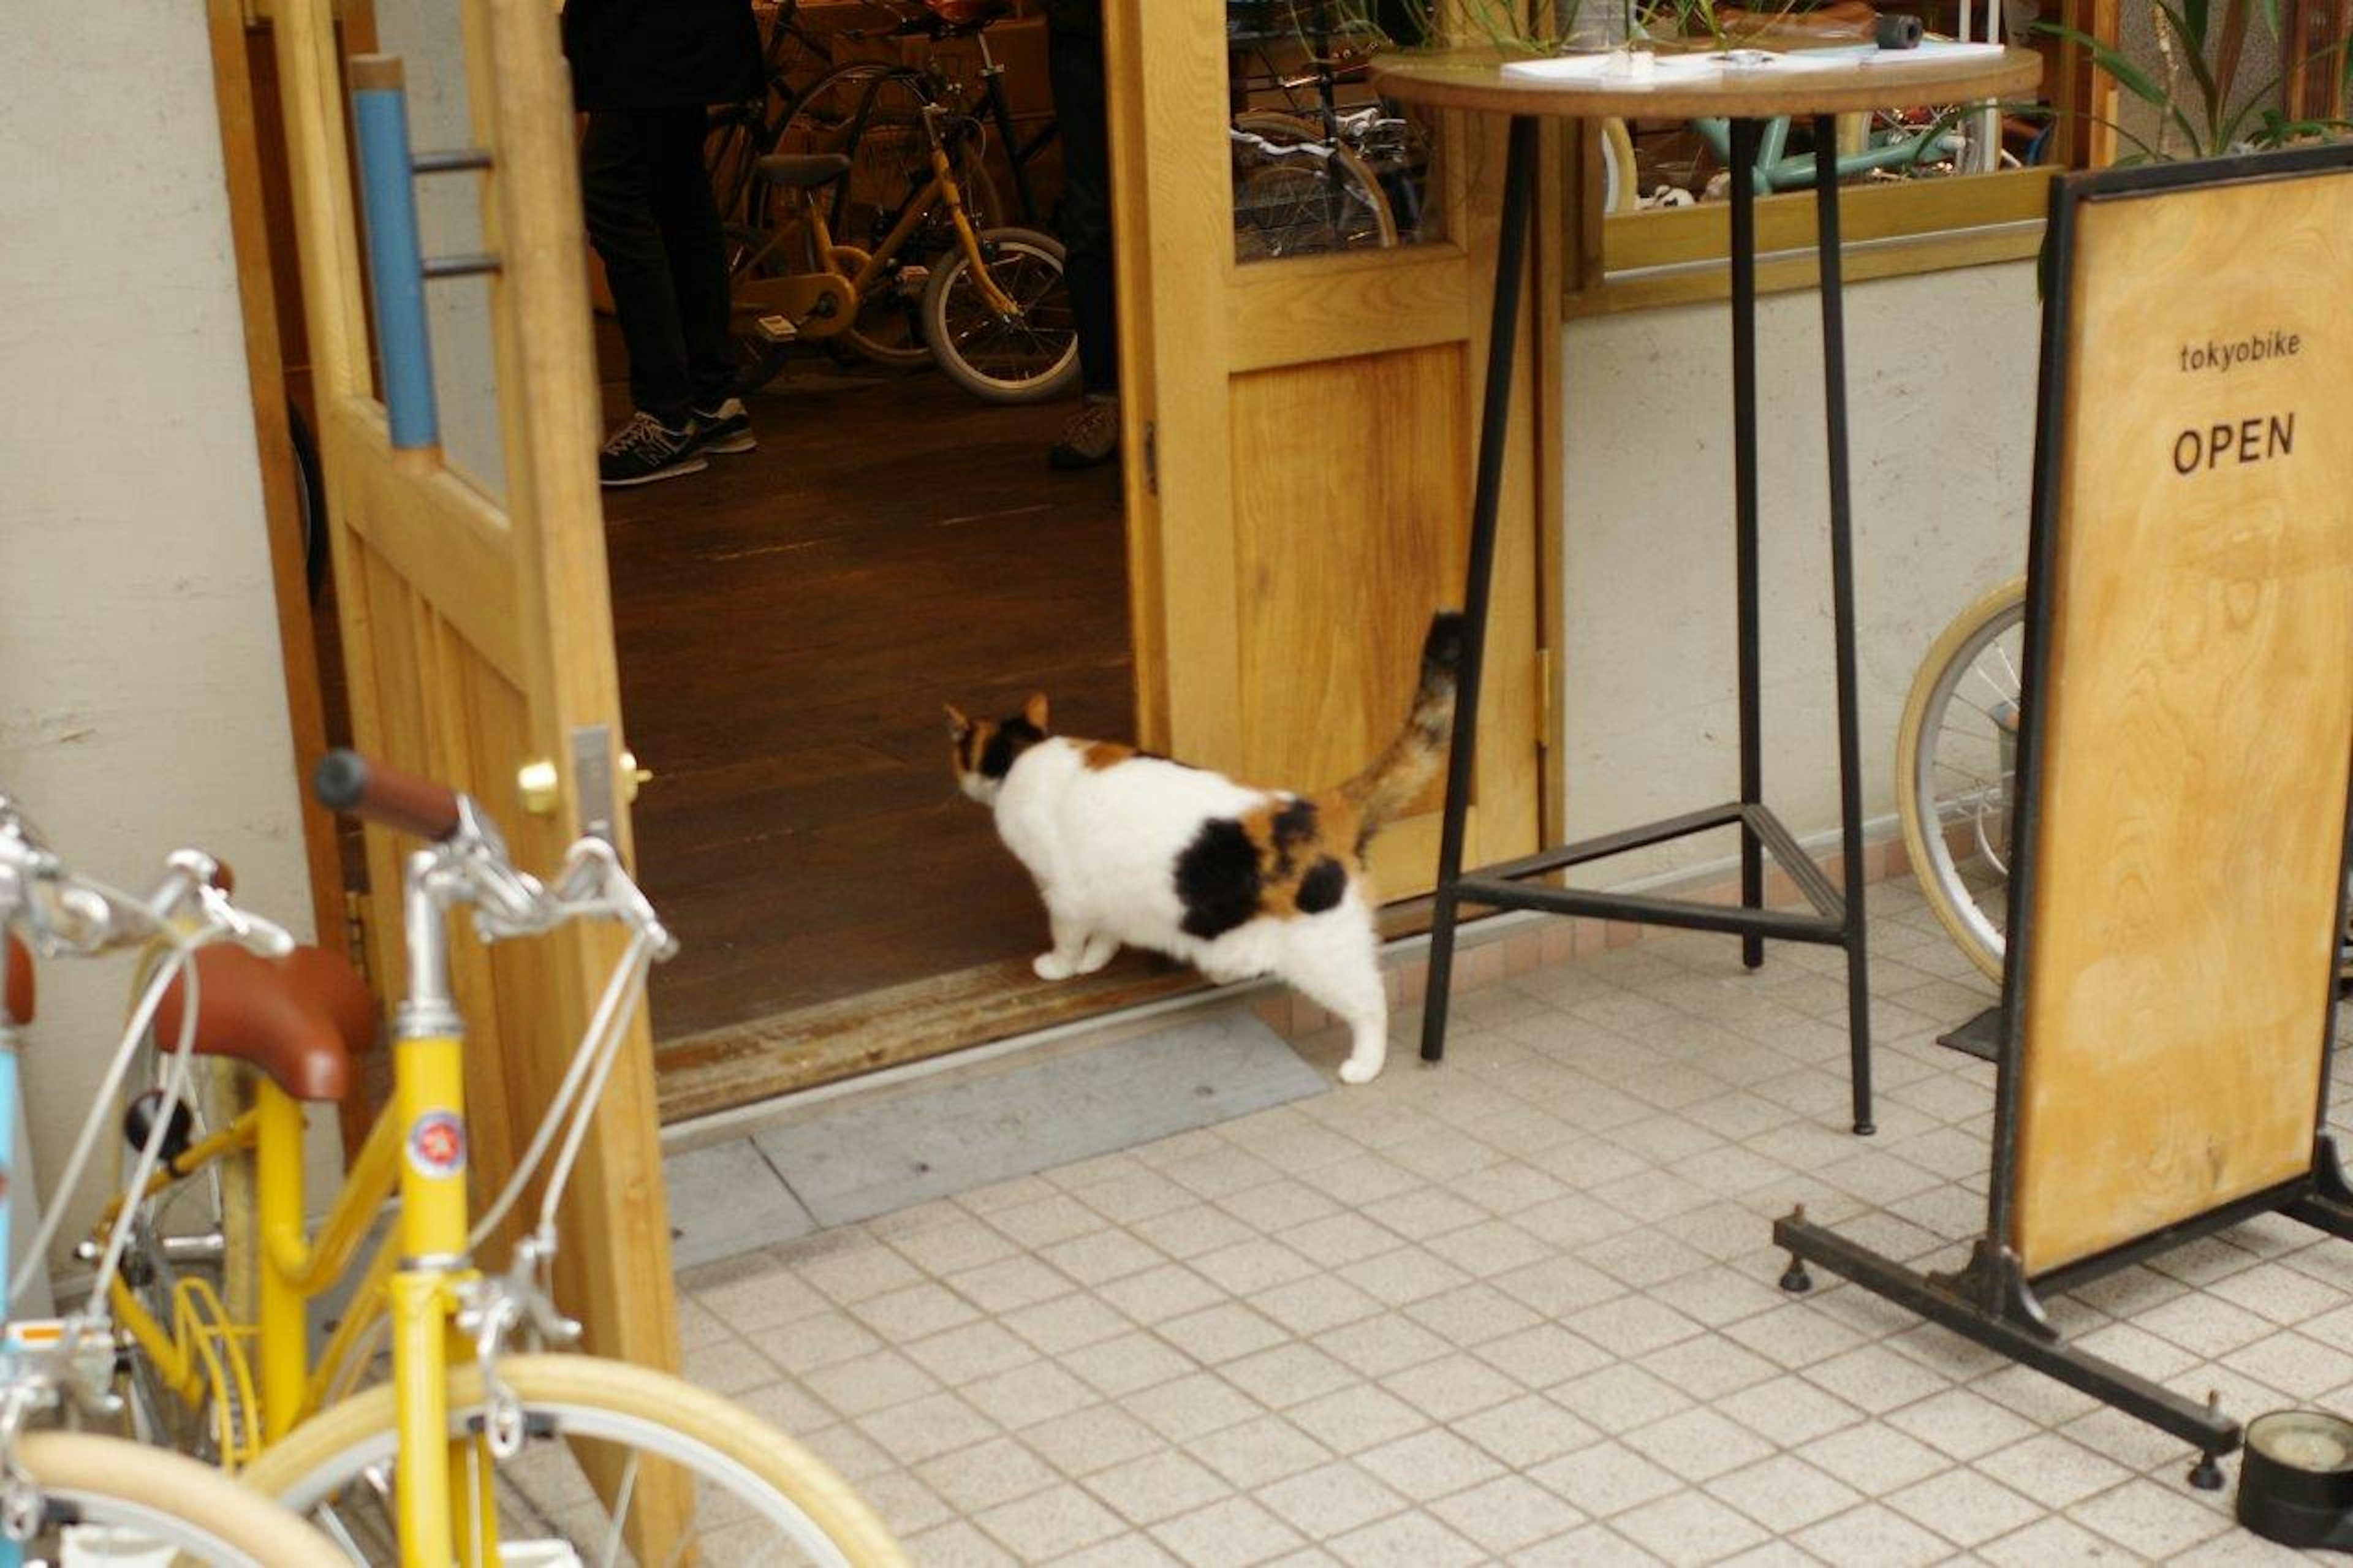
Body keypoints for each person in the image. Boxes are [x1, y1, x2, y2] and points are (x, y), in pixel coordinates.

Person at [562, 0, 762, 487]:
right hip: (672, 35)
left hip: (649, 36)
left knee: (614, 193)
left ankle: (668, 414)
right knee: (679, 195)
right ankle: (712, 399)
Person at [1042, 0, 1118, 471]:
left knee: (1183, 203)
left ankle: (1191, 389)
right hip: (1080, 32)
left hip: (1176, 32)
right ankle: (1104, 402)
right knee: (1090, 220)